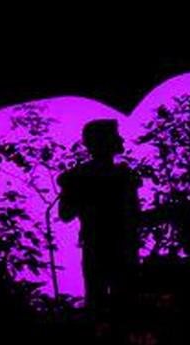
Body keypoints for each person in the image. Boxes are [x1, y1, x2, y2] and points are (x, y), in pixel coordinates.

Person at [58, 119, 141, 324]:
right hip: (114, 249)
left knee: (103, 309)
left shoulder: (80, 176)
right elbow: (66, 214)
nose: (121, 140)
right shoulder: (122, 176)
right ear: (105, 142)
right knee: (119, 310)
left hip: (103, 249)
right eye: (116, 136)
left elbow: (65, 214)